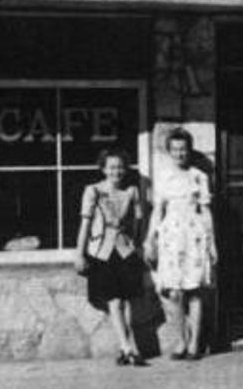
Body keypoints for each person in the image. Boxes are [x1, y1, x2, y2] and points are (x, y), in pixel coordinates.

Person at [145, 128, 216, 360]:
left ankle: (195, 342)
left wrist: (212, 243)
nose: (179, 154)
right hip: (171, 238)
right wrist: (150, 238)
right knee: (174, 292)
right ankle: (180, 340)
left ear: (189, 150)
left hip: (194, 236)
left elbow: (205, 211)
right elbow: (157, 210)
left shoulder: (199, 176)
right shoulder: (164, 176)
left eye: (183, 149)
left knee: (194, 291)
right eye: (175, 150)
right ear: (169, 151)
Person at [74, 147, 147, 366]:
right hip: (102, 252)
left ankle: (126, 349)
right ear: (104, 169)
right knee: (114, 301)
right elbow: (85, 224)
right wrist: (79, 254)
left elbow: (138, 223)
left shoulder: (131, 192)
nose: (116, 171)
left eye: (120, 167)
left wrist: (138, 245)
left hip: (124, 251)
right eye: (111, 167)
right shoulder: (93, 191)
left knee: (127, 301)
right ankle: (128, 347)